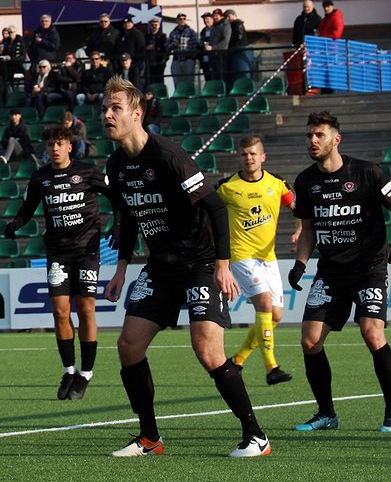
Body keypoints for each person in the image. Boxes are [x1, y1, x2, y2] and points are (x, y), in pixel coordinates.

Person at [102, 76, 269, 457]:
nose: (108, 115)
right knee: (128, 346)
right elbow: (128, 218)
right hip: (160, 267)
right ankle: (149, 439)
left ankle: (256, 437)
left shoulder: (168, 156)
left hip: (199, 263)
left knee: (207, 350)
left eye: (116, 109)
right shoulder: (116, 163)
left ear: (137, 113)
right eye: (105, 109)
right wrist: (122, 268)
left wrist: (222, 266)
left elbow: (215, 206)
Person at [289, 111, 391, 434]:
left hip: (369, 268)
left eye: (319, 135)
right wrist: (300, 264)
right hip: (330, 272)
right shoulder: (306, 181)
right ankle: (326, 414)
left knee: (373, 333)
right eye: (309, 136)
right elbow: (307, 230)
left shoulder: (367, 173)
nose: (313, 141)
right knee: (309, 341)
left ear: (337, 138)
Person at [7, 125, 113, 399]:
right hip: (57, 253)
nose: (54, 148)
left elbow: (117, 197)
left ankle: (86, 374)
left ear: (69, 146)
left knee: (86, 309)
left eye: (60, 143)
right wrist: (14, 224)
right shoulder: (40, 178)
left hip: (87, 251)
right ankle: (69, 370)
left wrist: (120, 223)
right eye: (50, 144)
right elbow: (27, 209)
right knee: (60, 311)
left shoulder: (88, 171)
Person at [217, 138, 297, 385]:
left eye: (253, 153)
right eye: (244, 154)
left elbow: (298, 208)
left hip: (268, 256)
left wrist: (299, 230)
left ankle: (238, 360)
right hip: (241, 255)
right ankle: (271, 368)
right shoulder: (227, 187)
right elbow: (208, 212)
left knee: (276, 315)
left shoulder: (277, 184)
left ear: (263, 157)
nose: (248, 158)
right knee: (263, 304)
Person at [166, 14, 199, 89]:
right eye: (180, 19)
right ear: (177, 20)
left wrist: (192, 56)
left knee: (189, 81)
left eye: (184, 19)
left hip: (188, 59)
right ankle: (179, 96)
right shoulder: (173, 32)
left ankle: (189, 95)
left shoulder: (191, 32)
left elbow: (195, 44)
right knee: (177, 81)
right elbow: (167, 46)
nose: (182, 20)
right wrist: (174, 45)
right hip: (176, 59)